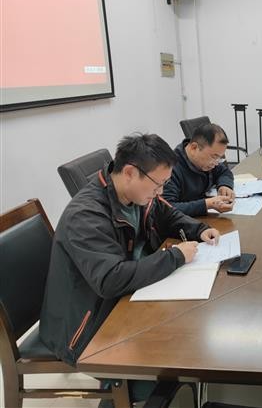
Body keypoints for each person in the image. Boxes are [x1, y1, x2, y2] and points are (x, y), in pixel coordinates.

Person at [40, 133, 220, 403]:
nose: (160, 192)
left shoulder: (136, 195)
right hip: (88, 324)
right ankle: (123, 394)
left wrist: (199, 229)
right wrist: (175, 257)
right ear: (129, 173)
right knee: (178, 354)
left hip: (125, 299)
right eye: (158, 185)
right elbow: (110, 279)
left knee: (192, 329)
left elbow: (167, 213)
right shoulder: (86, 215)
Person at [163, 123, 235, 216]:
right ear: (194, 148)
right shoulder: (170, 169)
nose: (216, 163)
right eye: (214, 157)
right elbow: (167, 208)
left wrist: (224, 185)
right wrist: (207, 204)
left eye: (219, 158)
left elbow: (224, 171)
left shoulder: (207, 161)